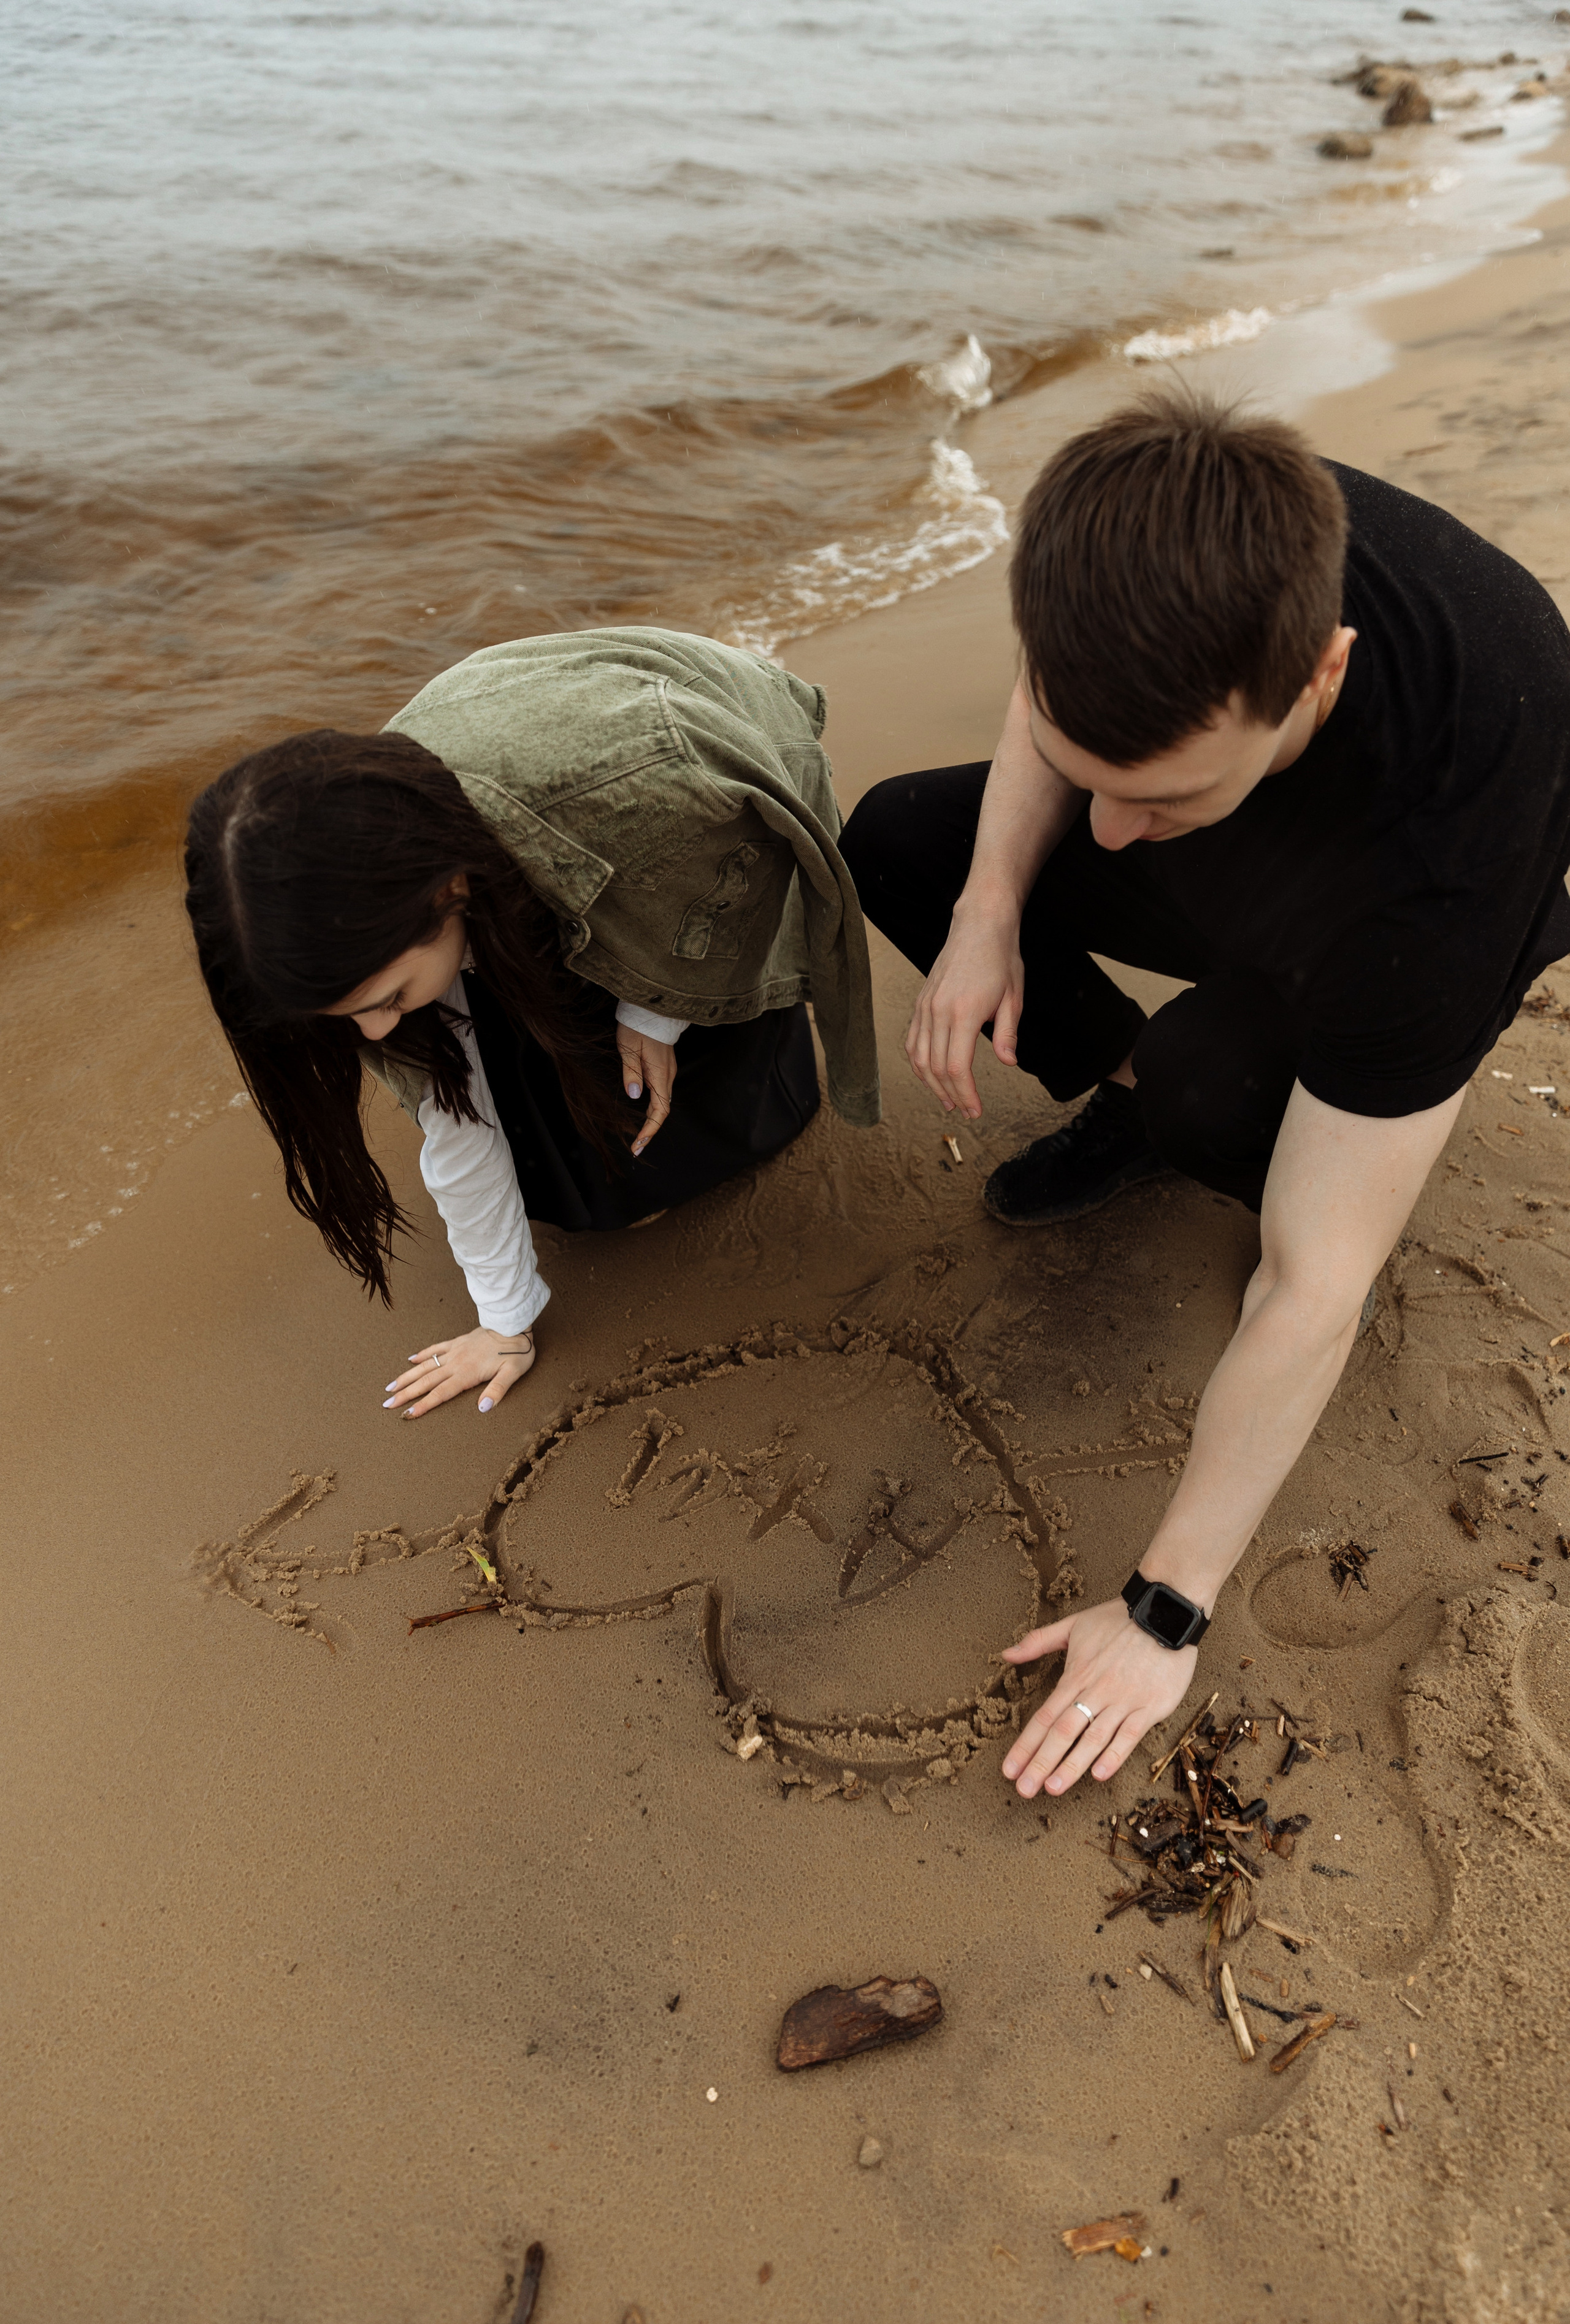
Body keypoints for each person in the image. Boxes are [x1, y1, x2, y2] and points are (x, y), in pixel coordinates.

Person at [840, 386, 1570, 1800]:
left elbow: (1312, 1285)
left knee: (1219, 1105)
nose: (1105, 831)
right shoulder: (1156, 545)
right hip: (1242, 832)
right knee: (904, 843)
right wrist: (991, 904)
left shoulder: (1439, 858)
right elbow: (1079, 737)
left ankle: (1208, 1095)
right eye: (1085, 773)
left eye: (1147, 798)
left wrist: (1165, 1606)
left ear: (1319, 676)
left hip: (1376, 911)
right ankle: (1127, 1073)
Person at [186, 627, 878, 1417]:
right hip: (532, 860)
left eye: (383, 1000)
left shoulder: (644, 789)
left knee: (689, 1098)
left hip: (718, 796)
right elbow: (456, 1118)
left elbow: (742, 852)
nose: (375, 1034)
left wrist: (654, 1012)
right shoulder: (349, 923)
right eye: (352, 1016)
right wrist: (504, 1321)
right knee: (571, 1170)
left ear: (449, 893)